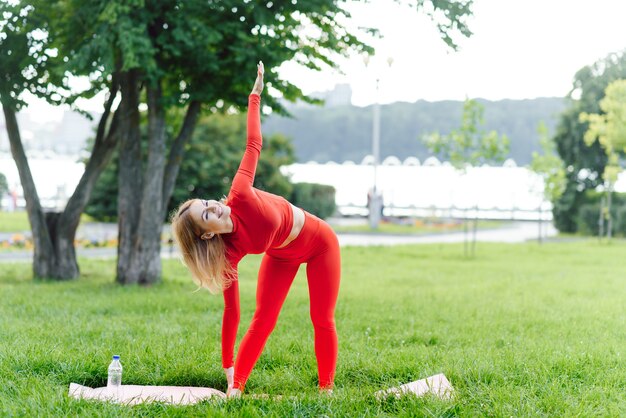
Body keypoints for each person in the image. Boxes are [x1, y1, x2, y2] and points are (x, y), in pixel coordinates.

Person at [170, 61, 341, 397]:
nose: (212, 206)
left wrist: (254, 95)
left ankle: (327, 390)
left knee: (322, 318)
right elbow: (232, 312)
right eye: (206, 215)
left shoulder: (240, 194)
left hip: (320, 243)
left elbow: (253, 145)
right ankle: (237, 389)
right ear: (208, 234)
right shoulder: (229, 253)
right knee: (263, 320)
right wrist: (228, 370)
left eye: (205, 202)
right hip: (283, 255)